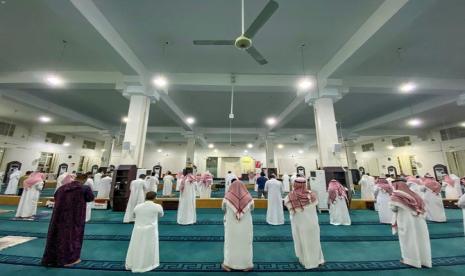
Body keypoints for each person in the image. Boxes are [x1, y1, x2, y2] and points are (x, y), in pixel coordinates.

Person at [42, 173, 94, 267]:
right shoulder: (84, 188)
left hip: (58, 217)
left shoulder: (61, 188)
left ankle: (52, 259)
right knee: (72, 237)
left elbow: (55, 197)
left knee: (57, 236)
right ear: (85, 179)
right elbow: (90, 198)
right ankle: (69, 259)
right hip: (75, 217)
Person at [284, 177, 324, 269]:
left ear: (295, 184)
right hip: (312, 223)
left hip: (300, 224)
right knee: (315, 240)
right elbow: (315, 203)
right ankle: (318, 260)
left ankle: (307, 261)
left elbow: (291, 210)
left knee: (303, 241)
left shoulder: (289, 197)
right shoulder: (312, 195)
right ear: (305, 184)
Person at [390, 180, 431, 268]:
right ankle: (424, 260)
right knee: (421, 239)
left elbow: (393, 208)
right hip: (419, 220)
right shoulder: (414, 194)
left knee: (409, 239)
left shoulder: (396, 194)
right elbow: (422, 206)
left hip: (406, 220)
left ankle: (411, 260)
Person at [125, 191, 164, 273]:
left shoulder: (138, 206)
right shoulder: (157, 206)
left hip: (138, 230)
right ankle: (148, 264)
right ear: (155, 198)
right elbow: (161, 215)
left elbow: (134, 216)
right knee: (149, 246)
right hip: (151, 230)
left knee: (136, 246)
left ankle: (134, 263)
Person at [222, 180, 254, 272]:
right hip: (245, 226)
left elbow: (223, 208)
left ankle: (228, 264)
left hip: (231, 226)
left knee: (230, 243)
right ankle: (247, 265)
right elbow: (252, 208)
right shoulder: (249, 198)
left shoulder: (227, 198)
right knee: (245, 243)